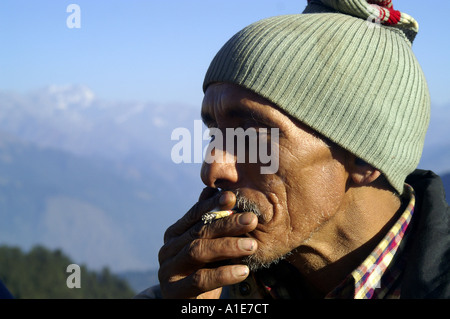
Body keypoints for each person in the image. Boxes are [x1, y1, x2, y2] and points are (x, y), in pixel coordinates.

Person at [137, 0, 450, 299]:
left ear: (363, 159)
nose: (212, 170)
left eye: (249, 135)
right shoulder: (212, 290)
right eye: (214, 134)